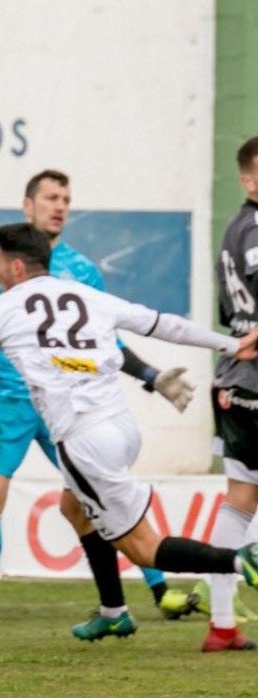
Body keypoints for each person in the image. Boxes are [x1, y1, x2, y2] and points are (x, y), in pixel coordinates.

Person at [0, 223, 258, 635]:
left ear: (16, 266)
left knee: (144, 548)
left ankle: (240, 560)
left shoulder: (1, 308)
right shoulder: (85, 295)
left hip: (83, 439)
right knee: (72, 507)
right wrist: (231, 344)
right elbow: (162, 324)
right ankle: (112, 611)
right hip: (121, 426)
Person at [0, 170, 197, 637]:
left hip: (73, 406)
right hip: (8, 398)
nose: (60, 206)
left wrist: (152, 377)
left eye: (66, 199)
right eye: (51, 198)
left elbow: (108, 342)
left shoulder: (81, 268)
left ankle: (161, 590)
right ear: (27, 205)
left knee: (104, 496)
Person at [195, 135, 258, 652]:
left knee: (238, 503)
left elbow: (230, 315)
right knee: (239, 505)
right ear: (248, 179)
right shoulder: (256, 227)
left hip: (236, 382)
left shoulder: (232, 229)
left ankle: (220, 624)